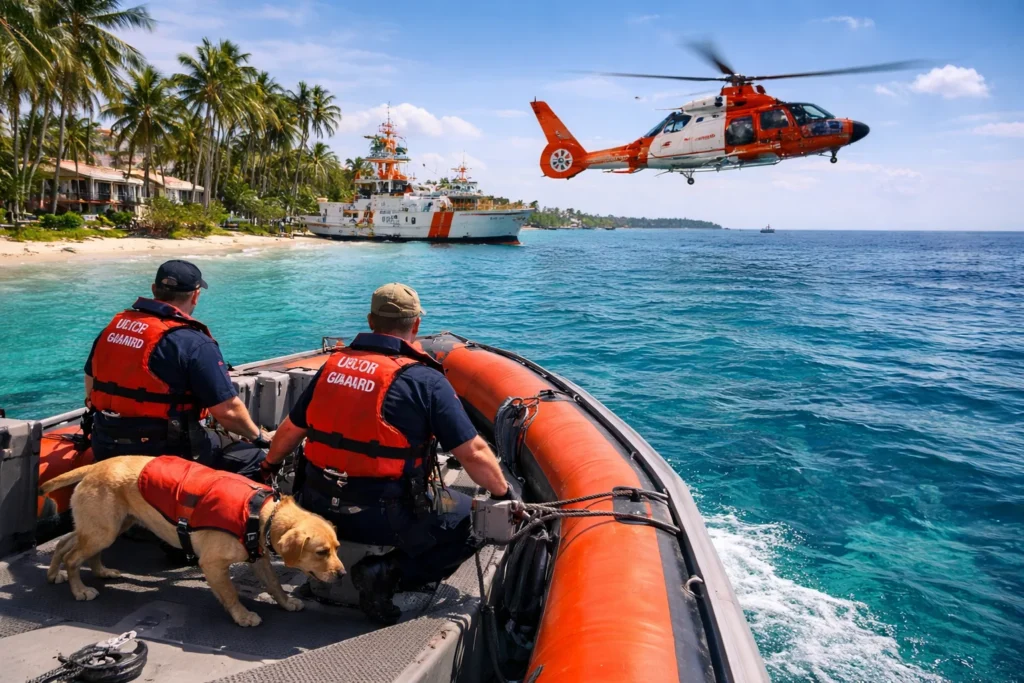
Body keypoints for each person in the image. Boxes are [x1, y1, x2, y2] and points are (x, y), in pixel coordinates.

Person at [263, 282, 515, 624]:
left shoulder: (333, 367)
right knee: (471, 519)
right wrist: (503, 495)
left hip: (317, 503)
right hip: (385, 515)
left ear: (370, 321)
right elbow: (472, 452)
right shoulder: (425, 380)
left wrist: (268, 467)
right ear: (415, 325)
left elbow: (290, 431)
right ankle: (389, 572)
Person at [84, 260, 269, 479]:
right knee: (254, 458)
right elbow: (227, 412)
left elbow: (90, 384)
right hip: (165, 452)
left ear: (154, 290)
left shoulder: (112, 329)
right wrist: (259, 437)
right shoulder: (193, 342)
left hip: (105, 442)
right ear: (196, 295)